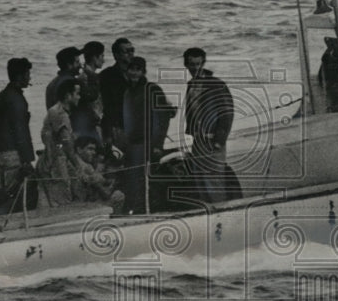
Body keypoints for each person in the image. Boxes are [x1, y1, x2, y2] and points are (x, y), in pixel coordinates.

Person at [183, 47, 239, 203]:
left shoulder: (216, 84)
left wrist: (219, 141)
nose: (195, 68)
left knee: (214, 183)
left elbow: (227, 114)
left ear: (203, 63)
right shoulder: (191, 85)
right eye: (192, 64)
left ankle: (223, 216)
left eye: (198, 64)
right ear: (186, 65)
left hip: (212, 141)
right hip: (198, 142)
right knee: (200, 182)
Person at [121, 56, 176, 214]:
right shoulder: (128, 92)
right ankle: (139, 211)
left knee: (148, 181)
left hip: (148, 143)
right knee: (134, 181)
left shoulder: (152, 89)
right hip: (133, 144)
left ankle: (150, 212)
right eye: (131, 68)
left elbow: (163, 118)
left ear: (143, 71)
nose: (134, 72)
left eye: (138, 69)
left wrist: (158, 144)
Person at [0, 58, 36, 197]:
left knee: (5, 191)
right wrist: (27, 159)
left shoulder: (2, 96)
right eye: (27, 73)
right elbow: (20, 131)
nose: (29, 76)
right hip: (13, 154)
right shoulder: (16, 99)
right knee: (15, 195)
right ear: (20, 76)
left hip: (0, 153)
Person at [38, 78, 80, 206]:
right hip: (56, 163)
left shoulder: (56, 111)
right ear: (68, 96)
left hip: (55, 160)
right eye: (77, 94)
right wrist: (76, 163)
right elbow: (66, 141)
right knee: (61, 202)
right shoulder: (60, 114)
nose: (79, 97)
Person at [99, 37, 135, 151]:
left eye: (132, 50)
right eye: (127, 51)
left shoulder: (137, 75)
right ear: (116, 55)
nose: (131, 54)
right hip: (117, 129)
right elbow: (105, 109)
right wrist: (108, 135)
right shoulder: (106, 76)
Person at [73, 135, 124, 213]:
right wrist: (112, 184)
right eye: (90, 149)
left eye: (94, 150)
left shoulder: (84, 164)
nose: (94, 153)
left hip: (85, 201)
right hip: (83, 205)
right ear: (79, 150)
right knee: (118, 196)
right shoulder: (83, 165)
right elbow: (105, 193)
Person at [72, 40, 105, 144]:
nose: (103, 60)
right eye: (102, 56)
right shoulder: (88, 76)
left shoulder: (83, 75)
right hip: (89, 124)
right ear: (95, 58)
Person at [45, 46, 83, 110]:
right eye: (77, 62)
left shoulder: (53, 82)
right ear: (69, 65)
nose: (80, 65)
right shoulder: (70, 83)